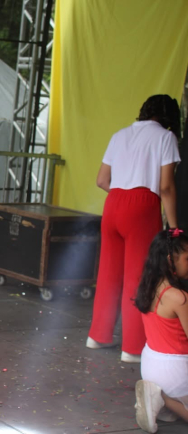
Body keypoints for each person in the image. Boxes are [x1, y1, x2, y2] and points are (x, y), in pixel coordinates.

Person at [88, 94, 181, 363]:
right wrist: (175, 229)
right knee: (138, 277)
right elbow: (166, 187)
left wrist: (122, 194)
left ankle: (97, 336)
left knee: (108, 273)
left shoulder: (119, 135)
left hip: (113, 202)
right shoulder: (166, 137)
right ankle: (132, 347)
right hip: (142, 204)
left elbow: (101, 180)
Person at [133, 229, 188, 433]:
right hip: (176, 371)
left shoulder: (148, 287)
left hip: (150, 366)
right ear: (170, 261)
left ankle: (163, 401)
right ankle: (162, 398)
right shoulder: (179, 298)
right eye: (187, 259)